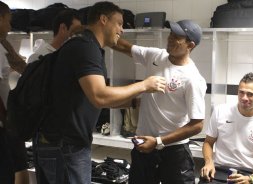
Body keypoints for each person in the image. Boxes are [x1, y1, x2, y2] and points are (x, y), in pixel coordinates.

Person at [33, 1, 166, 184]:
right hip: (65, 146)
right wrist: (144, 85)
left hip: (59, 143)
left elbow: (89, 97)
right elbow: (99, 96)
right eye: (119, 23)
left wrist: (133, 102)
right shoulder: (86, 48)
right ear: (104, 20)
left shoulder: (85, 45)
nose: (121, 30)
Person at [113, 19, 207, 184]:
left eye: (177, 37)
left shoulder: (193, 79)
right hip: (143, 144)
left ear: (190, 45)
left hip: (174, 151)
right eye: (170, 33)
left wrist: (158, 141)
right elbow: (123, 47)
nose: (170, 38)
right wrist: (102, 34)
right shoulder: (156, 55)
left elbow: (197, 125)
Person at [199, 72, 253, 184]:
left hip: (249, 173)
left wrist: (251, 179)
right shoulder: (220, 111)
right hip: (219, 170)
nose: (244, 98)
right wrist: (208, 162)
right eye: (241, 92)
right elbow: (208, 142)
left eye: (250, 94)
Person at [0, 1, 29, 184]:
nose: (10, 26)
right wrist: (6, 120)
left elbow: (20, 66)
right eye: (8, 21)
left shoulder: (3, 45)